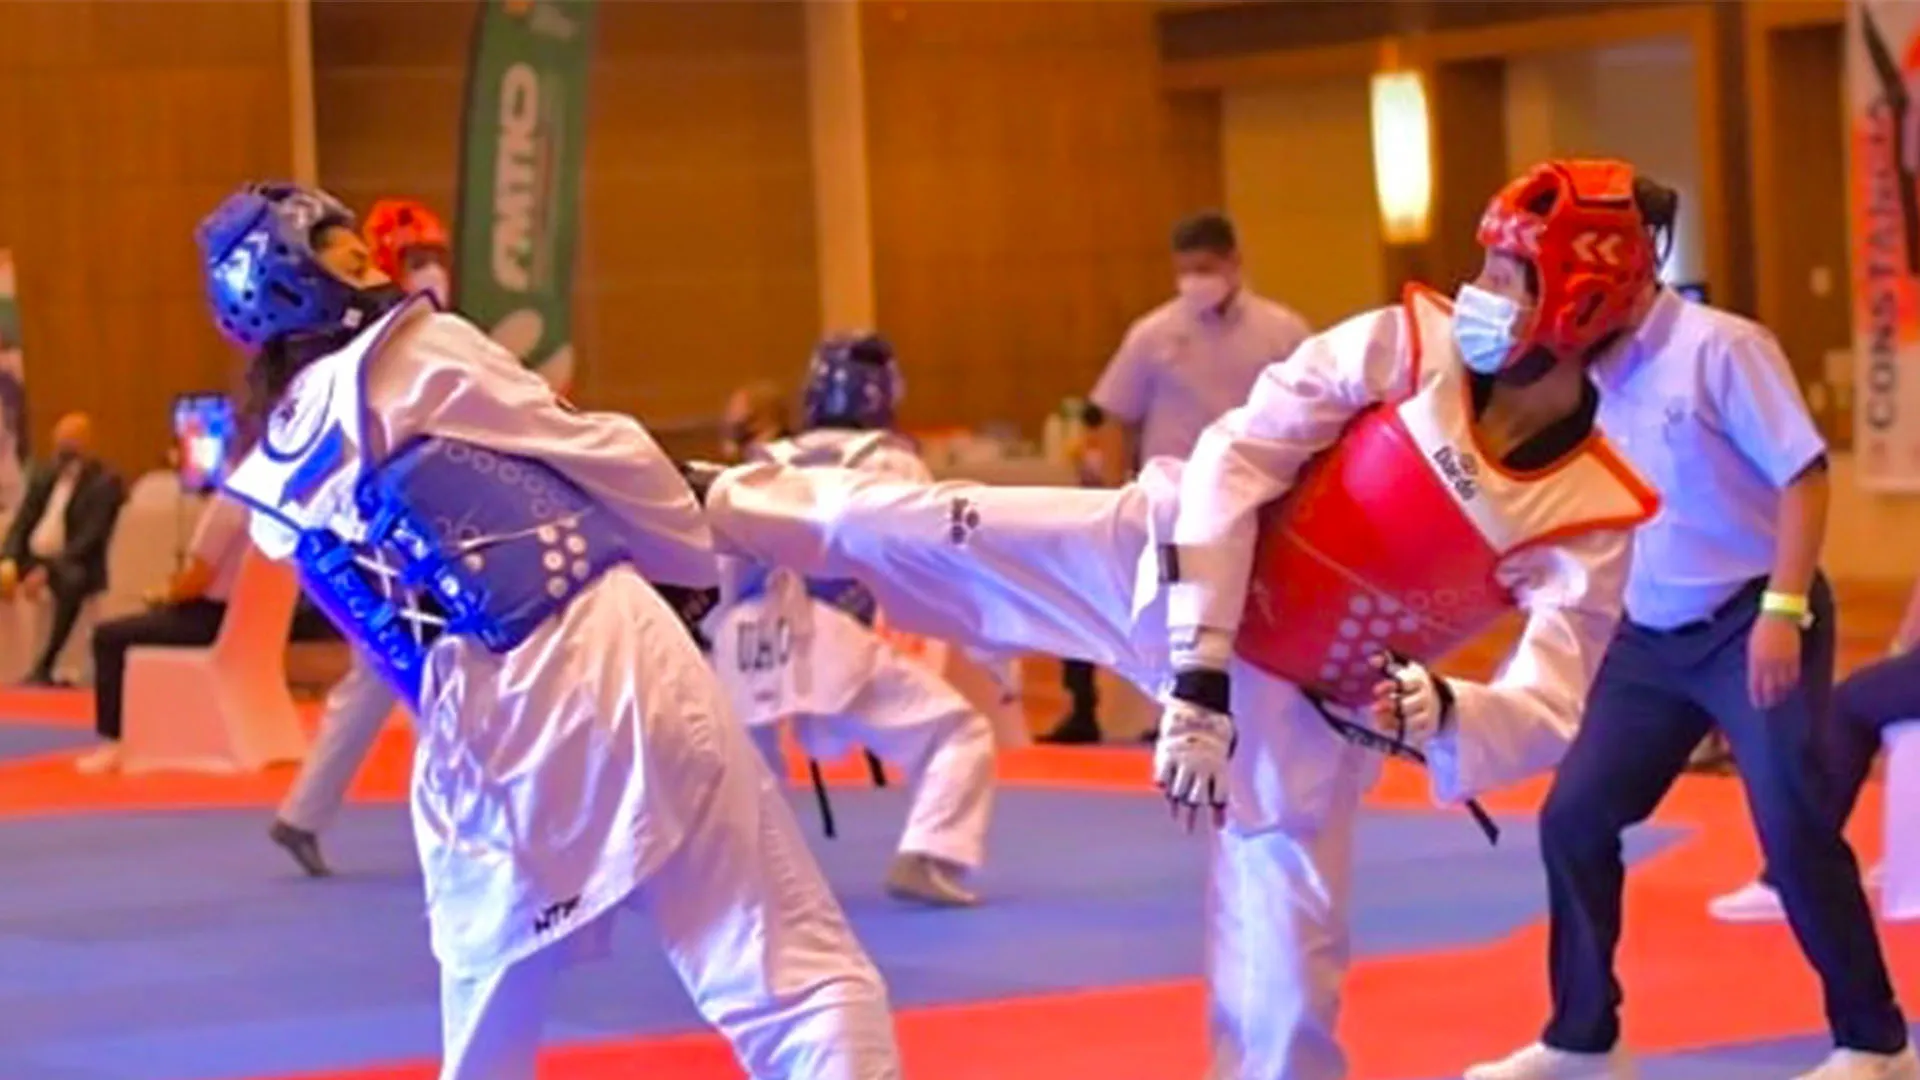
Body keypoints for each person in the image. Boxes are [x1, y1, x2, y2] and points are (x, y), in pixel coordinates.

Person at [696, 159, 1666, 1080]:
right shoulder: (1405, 346)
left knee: (1287, 996)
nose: (1485, 287)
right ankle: (710, 506)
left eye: (1513, 273)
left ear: (1580, 304)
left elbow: (1550, 701)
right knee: (937, 527)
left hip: (1300, 705)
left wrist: (1445, 713)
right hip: (1170, 558)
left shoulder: (1585, 516)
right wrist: (1197, 672)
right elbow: (1238, 459)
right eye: (1488, 262)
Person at [200, 181, 900, 1080]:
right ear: (289, 280)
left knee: (486, 1047)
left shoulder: (268, 488)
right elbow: (601, 452)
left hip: (474, 744)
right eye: (337, 245)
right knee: (795, 980)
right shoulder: (420, 349)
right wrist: (689, 568)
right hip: (602, 657)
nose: (364, 255)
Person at [1464, 209, 1916, 1078]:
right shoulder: (1581, 364)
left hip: (1754, 615)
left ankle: (1875, 1041)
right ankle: (1583, 1038)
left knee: (1791, 827)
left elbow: (1804, 476)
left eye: (1519, 276)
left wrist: (1784, 609)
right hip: (1647, 634)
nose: (1508, 296)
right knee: (1575, 818)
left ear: (1589, 276)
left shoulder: (1722, 348)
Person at [706, 334, 997, 907]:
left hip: (741, 632)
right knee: (958, 733)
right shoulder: (893, 461)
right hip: (831, 630)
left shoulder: (764, 460)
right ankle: (930, 851)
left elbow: (725, 556)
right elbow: (929, 555)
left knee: (748, 771)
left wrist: (720, 630)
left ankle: (735, 878)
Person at [1045, 210, 1310, 744]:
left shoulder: (1282, 332)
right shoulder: (1154, 334)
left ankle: (1265, 716)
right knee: (1152, 609)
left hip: (1254, 496)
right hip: (1173, 497)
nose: (1195, 281)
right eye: (1185, 270)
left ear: (1235, 263)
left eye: (1206, 267)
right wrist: (1118, 486)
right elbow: (1115, 412)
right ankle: (1131, 710)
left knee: (1250, 610)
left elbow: (1310, 413)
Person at [269, 197, 454, 877]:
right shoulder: (336, 335)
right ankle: (481, 823)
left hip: (396, 525)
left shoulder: (408, 325)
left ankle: (302, 814)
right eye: (415, 259)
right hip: (363, 530)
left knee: (383, 678)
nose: (428, 271)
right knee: (434, 676)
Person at [72, 491, 331, 774]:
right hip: (252, 624)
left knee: (109, 637)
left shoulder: (227, 505)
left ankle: (114, 741)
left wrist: (164, 594)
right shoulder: (278, 508)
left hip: (208, 618)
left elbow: (198, 577)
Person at [0, 412, 125, 685]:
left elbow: (88, 539)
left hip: (71, 562)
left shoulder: (106, 482)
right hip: (32, 558)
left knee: (73, 580)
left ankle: (47, 663)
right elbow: (22, 523)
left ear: (86, 443)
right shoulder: (43, 475)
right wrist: (8, 559)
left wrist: (46, 570)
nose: (62, 451)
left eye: (69, 443)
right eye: (59, 443)